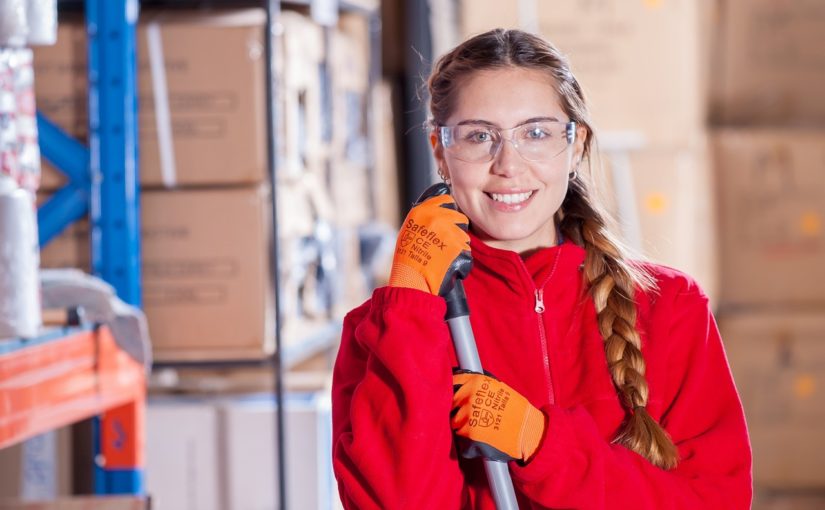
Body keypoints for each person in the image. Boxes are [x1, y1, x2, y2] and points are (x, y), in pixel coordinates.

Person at [331, 28, 752, 509]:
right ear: (439, 151)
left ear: (576, 145)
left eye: (536, 133)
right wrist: (409, 306)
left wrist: (542, 444)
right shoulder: (383, 329)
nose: (508, 165)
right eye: (478, 136)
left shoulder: (670, 306)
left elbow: (716, 500)